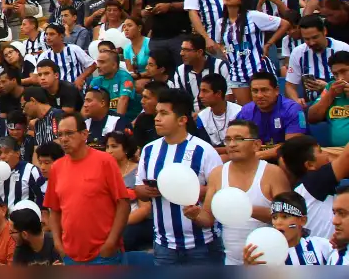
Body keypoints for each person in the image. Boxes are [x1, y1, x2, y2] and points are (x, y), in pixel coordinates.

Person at [135, 88, 224, 265]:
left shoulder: (204, 151)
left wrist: (179, 190)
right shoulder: (149, 150)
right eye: (157, 112)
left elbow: (219, 190)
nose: (156, 118)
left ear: (182, 120)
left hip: (202, 245)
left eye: (163, 113)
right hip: (164, 246)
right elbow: (139, 189)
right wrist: (150, 190)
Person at [184, 119, 290, 265]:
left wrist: (246, 209)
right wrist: (195, 215)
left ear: (256, 144)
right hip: (232, 261)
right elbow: (208, 219)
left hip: (269, 261)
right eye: (228, 140)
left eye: (239, 139)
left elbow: (288, 218)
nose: (232, 144)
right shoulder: (217, 173)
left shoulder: (273, 173)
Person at [43, 112, 129, 265]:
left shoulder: (105, 161)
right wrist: (58, 243)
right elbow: (54, 210)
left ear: (84, 134)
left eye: (69, 133)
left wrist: (110, 243)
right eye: (60, 134)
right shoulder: (56, 167)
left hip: (103, 255)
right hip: (70, 255)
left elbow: (123, 204)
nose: (63, 139)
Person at [243, 191, 333, 265]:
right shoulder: (263, 253)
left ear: (302, 220)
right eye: (274, 217)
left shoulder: (322, 247)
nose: (278, 222)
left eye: (285, 216)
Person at [236, 71, 306, 160]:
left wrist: (256, 156)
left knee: (284, 160)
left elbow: (292, 146)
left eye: (264, 90)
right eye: (255, 91)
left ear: (276, 90)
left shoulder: (292, 109)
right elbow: (238, 141)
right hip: (257, 156)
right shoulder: (246, 111)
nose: (259, 95)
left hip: (288, 156)